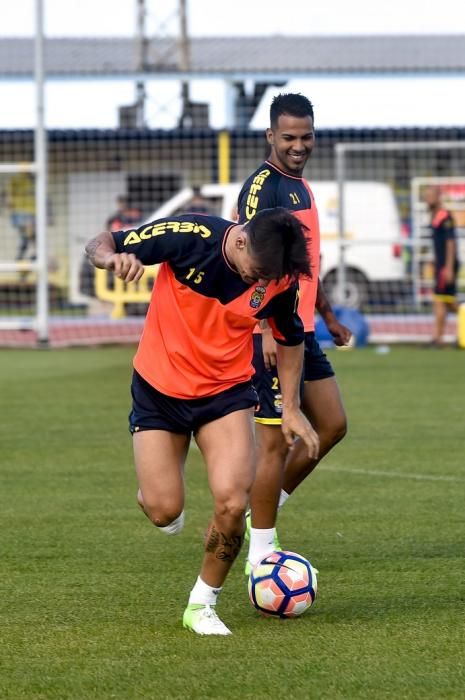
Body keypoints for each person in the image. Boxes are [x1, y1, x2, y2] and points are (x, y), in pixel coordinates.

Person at [84, 206, 319, 636]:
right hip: (159, 388)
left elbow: (290, 338)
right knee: (164, 510)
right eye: (258, 273)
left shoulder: (280, 277)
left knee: (232, 502)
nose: (263, 284)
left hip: (226, 393)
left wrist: (291, 406)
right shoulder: (191, 235)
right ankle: (154, 490)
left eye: (271, 278)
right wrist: (111, 259)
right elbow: (103, 243)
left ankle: (202, 604)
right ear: (241, 240)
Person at [237, 93, 351, 573]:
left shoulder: (301, 188)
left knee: (331, 426)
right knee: (276, 443)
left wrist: (327, 315)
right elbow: (250, 266)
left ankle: (260, 512)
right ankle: (261, 553)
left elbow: (303, 265)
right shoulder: (262, 188)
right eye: (288, 137)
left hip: (301, 330)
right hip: (271, 331)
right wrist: (261, 325)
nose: (298, 145)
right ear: (270, 136)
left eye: (305, 137)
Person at [423, 185, 460, 346]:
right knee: (441, 300)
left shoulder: (445, 217)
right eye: (426, 196)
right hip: (441, 264)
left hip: (447, 265)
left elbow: (451, 243)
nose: (427, 199)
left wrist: (449, 267)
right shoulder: (434, 216)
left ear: (438, 197)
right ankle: (438, 338)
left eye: (430, 196)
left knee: (445, 301)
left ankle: (438, 338)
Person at [6, 171, 36, 261]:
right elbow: (9, 198)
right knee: (28, 235)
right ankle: (30, 254)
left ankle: (23, 256)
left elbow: (9, 199)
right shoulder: (16, 180)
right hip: (22, 213)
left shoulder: (32, 180)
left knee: (26, 237)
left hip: (28, 213)